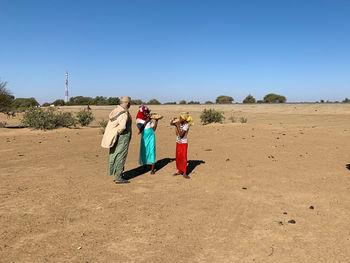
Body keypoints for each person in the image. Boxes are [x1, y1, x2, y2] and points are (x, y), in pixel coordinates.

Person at [101, 96, 132, 184]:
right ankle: (118, 177)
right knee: (121, 155)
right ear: (127, 103)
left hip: (115, 137)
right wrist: (117, 133)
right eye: (129, 103)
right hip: (122, 137)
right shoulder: (123, 113)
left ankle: (117, 173)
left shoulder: (116, 110)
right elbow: (122, 127)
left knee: (114, 154)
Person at [136, 105, 159, 174]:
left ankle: (152, 169)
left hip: (151, 136)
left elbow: (154, 129)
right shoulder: (138, 120)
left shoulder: (149, 119)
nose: (146, 113)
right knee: (144, 151)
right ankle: (144, 167)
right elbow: (141, 129)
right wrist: (146, 121)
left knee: (152, 150)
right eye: (145, 112)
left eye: (147, 112)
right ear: (142, 112)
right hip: (144, 138)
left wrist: (156, 121)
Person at [171, 113, 194, 179]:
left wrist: (177, 126)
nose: (179, 119)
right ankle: (179, 170)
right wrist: (175, 124)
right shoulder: (181, 124)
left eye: (180, 118)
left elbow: (181, 135)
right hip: (178, 142)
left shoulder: (186, 125)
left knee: (183, 158)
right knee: (178, 157)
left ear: (184, 119)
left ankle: (184, 172)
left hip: (184, 143)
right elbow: (177, 134)